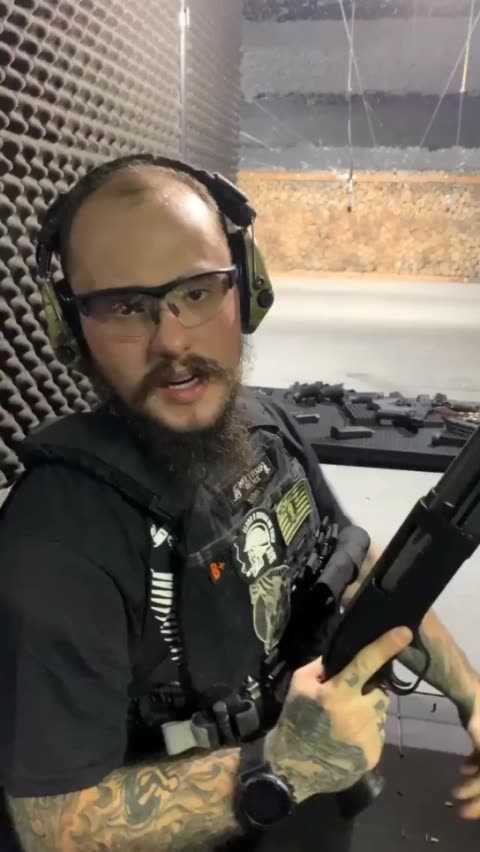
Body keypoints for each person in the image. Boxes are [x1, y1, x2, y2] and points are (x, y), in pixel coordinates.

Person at [0, 155, 478, 852]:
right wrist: (281, 766)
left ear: (247, 290)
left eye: (197, 291)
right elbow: (51, 827)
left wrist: (472, 695)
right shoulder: (58, 539)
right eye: (125, 306)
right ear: (71, 330)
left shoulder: (262, 428)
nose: (172, 340)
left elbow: (358, 567)